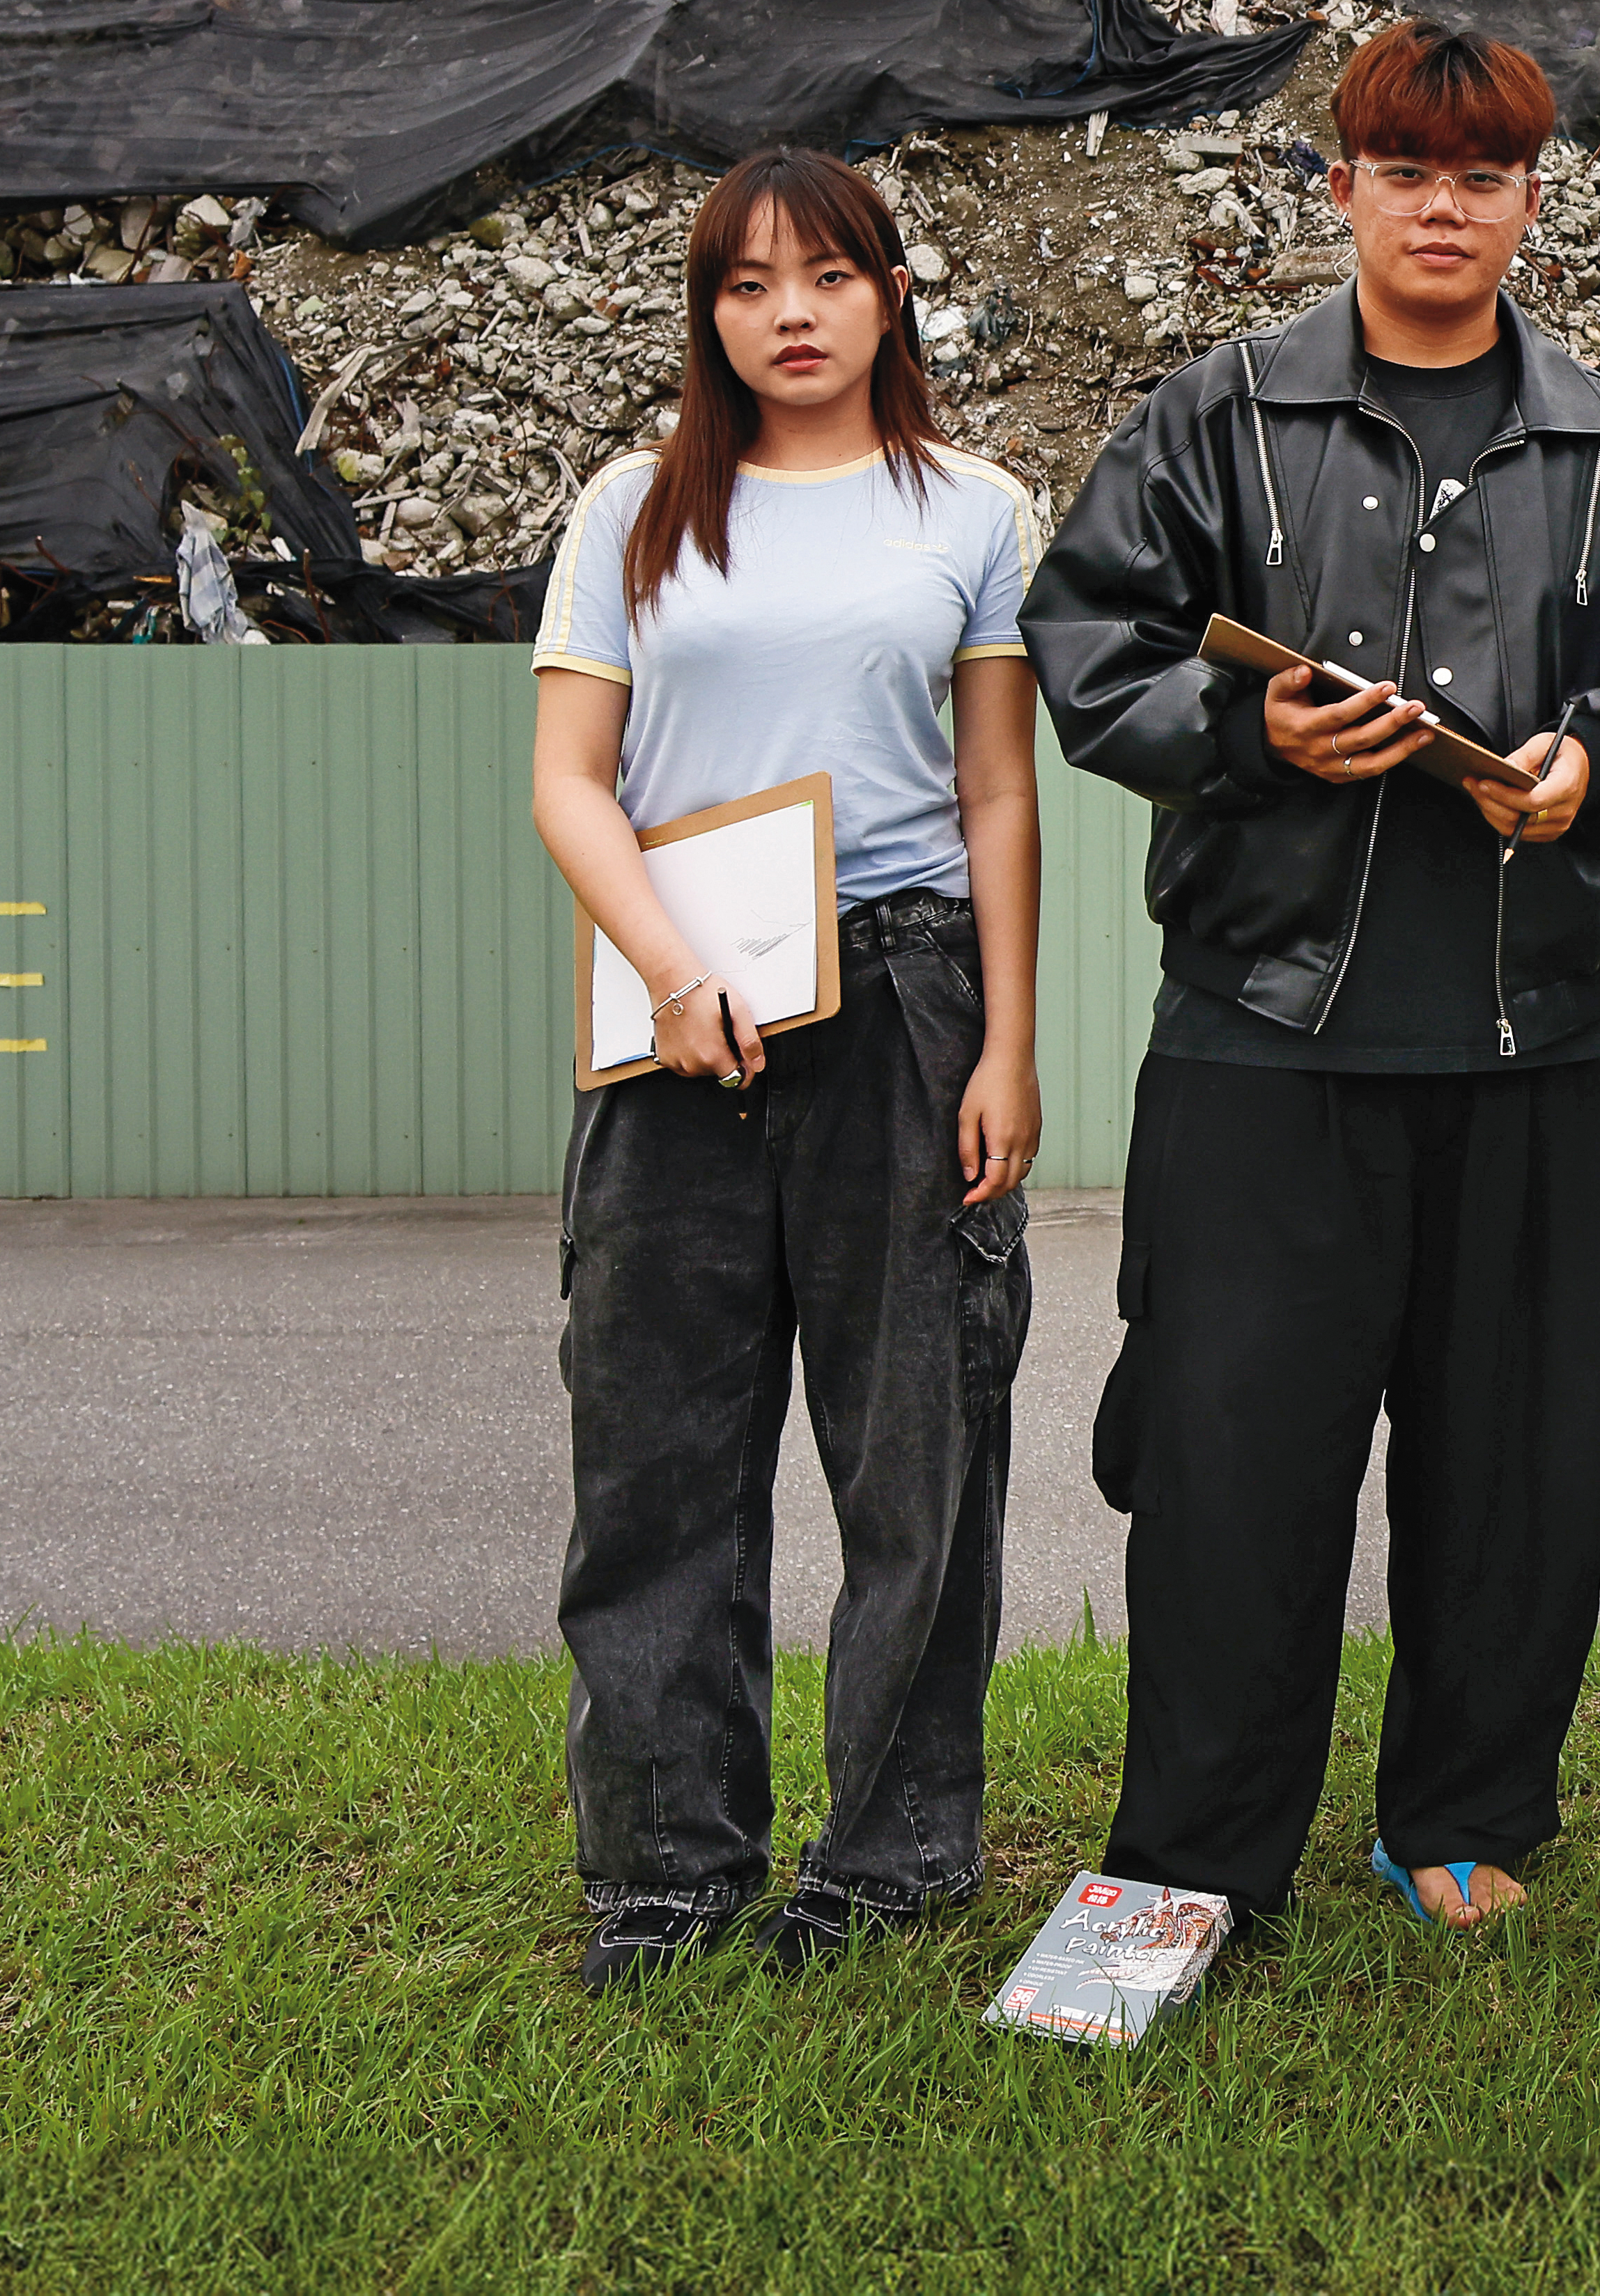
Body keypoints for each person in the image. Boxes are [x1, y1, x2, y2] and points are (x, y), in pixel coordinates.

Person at [1027, 21, 1600, 1938]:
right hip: (1263, 1030)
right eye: (1406, 169)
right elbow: (1083, 639)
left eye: (1484, 173)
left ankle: (1463, 1815)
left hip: (1536, 1040)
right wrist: (1255, 731)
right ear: (1337, 188)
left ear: (1531, 200)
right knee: (1227, 1464)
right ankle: (1193, 1856)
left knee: (1518, 1471)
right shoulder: (1220, 415)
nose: (1445, 206)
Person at [528, 143, 1046, 1992]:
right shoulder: (633, 508)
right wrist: (668, 970)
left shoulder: (969, 507)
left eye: (825, 275)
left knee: (918, 1458)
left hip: (903, 1000)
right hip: (678, 1014)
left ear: (888, 291)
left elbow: (996, 788)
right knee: (655, 1458)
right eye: (748, 285)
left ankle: (896, 1853)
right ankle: (666, 1867)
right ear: (710, 313)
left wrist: (1009, 1045)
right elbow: (569, 782)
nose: (791, 313)